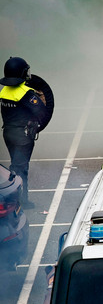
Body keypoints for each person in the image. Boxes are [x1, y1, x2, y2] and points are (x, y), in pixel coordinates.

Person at [0, 58, 53, 202]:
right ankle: (19, 201)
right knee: (20, 169)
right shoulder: (26, 93)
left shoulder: (4, 91)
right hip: (22, 137)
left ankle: (20, 198)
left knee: (16, 164)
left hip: (7, 133)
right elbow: (42, 112)